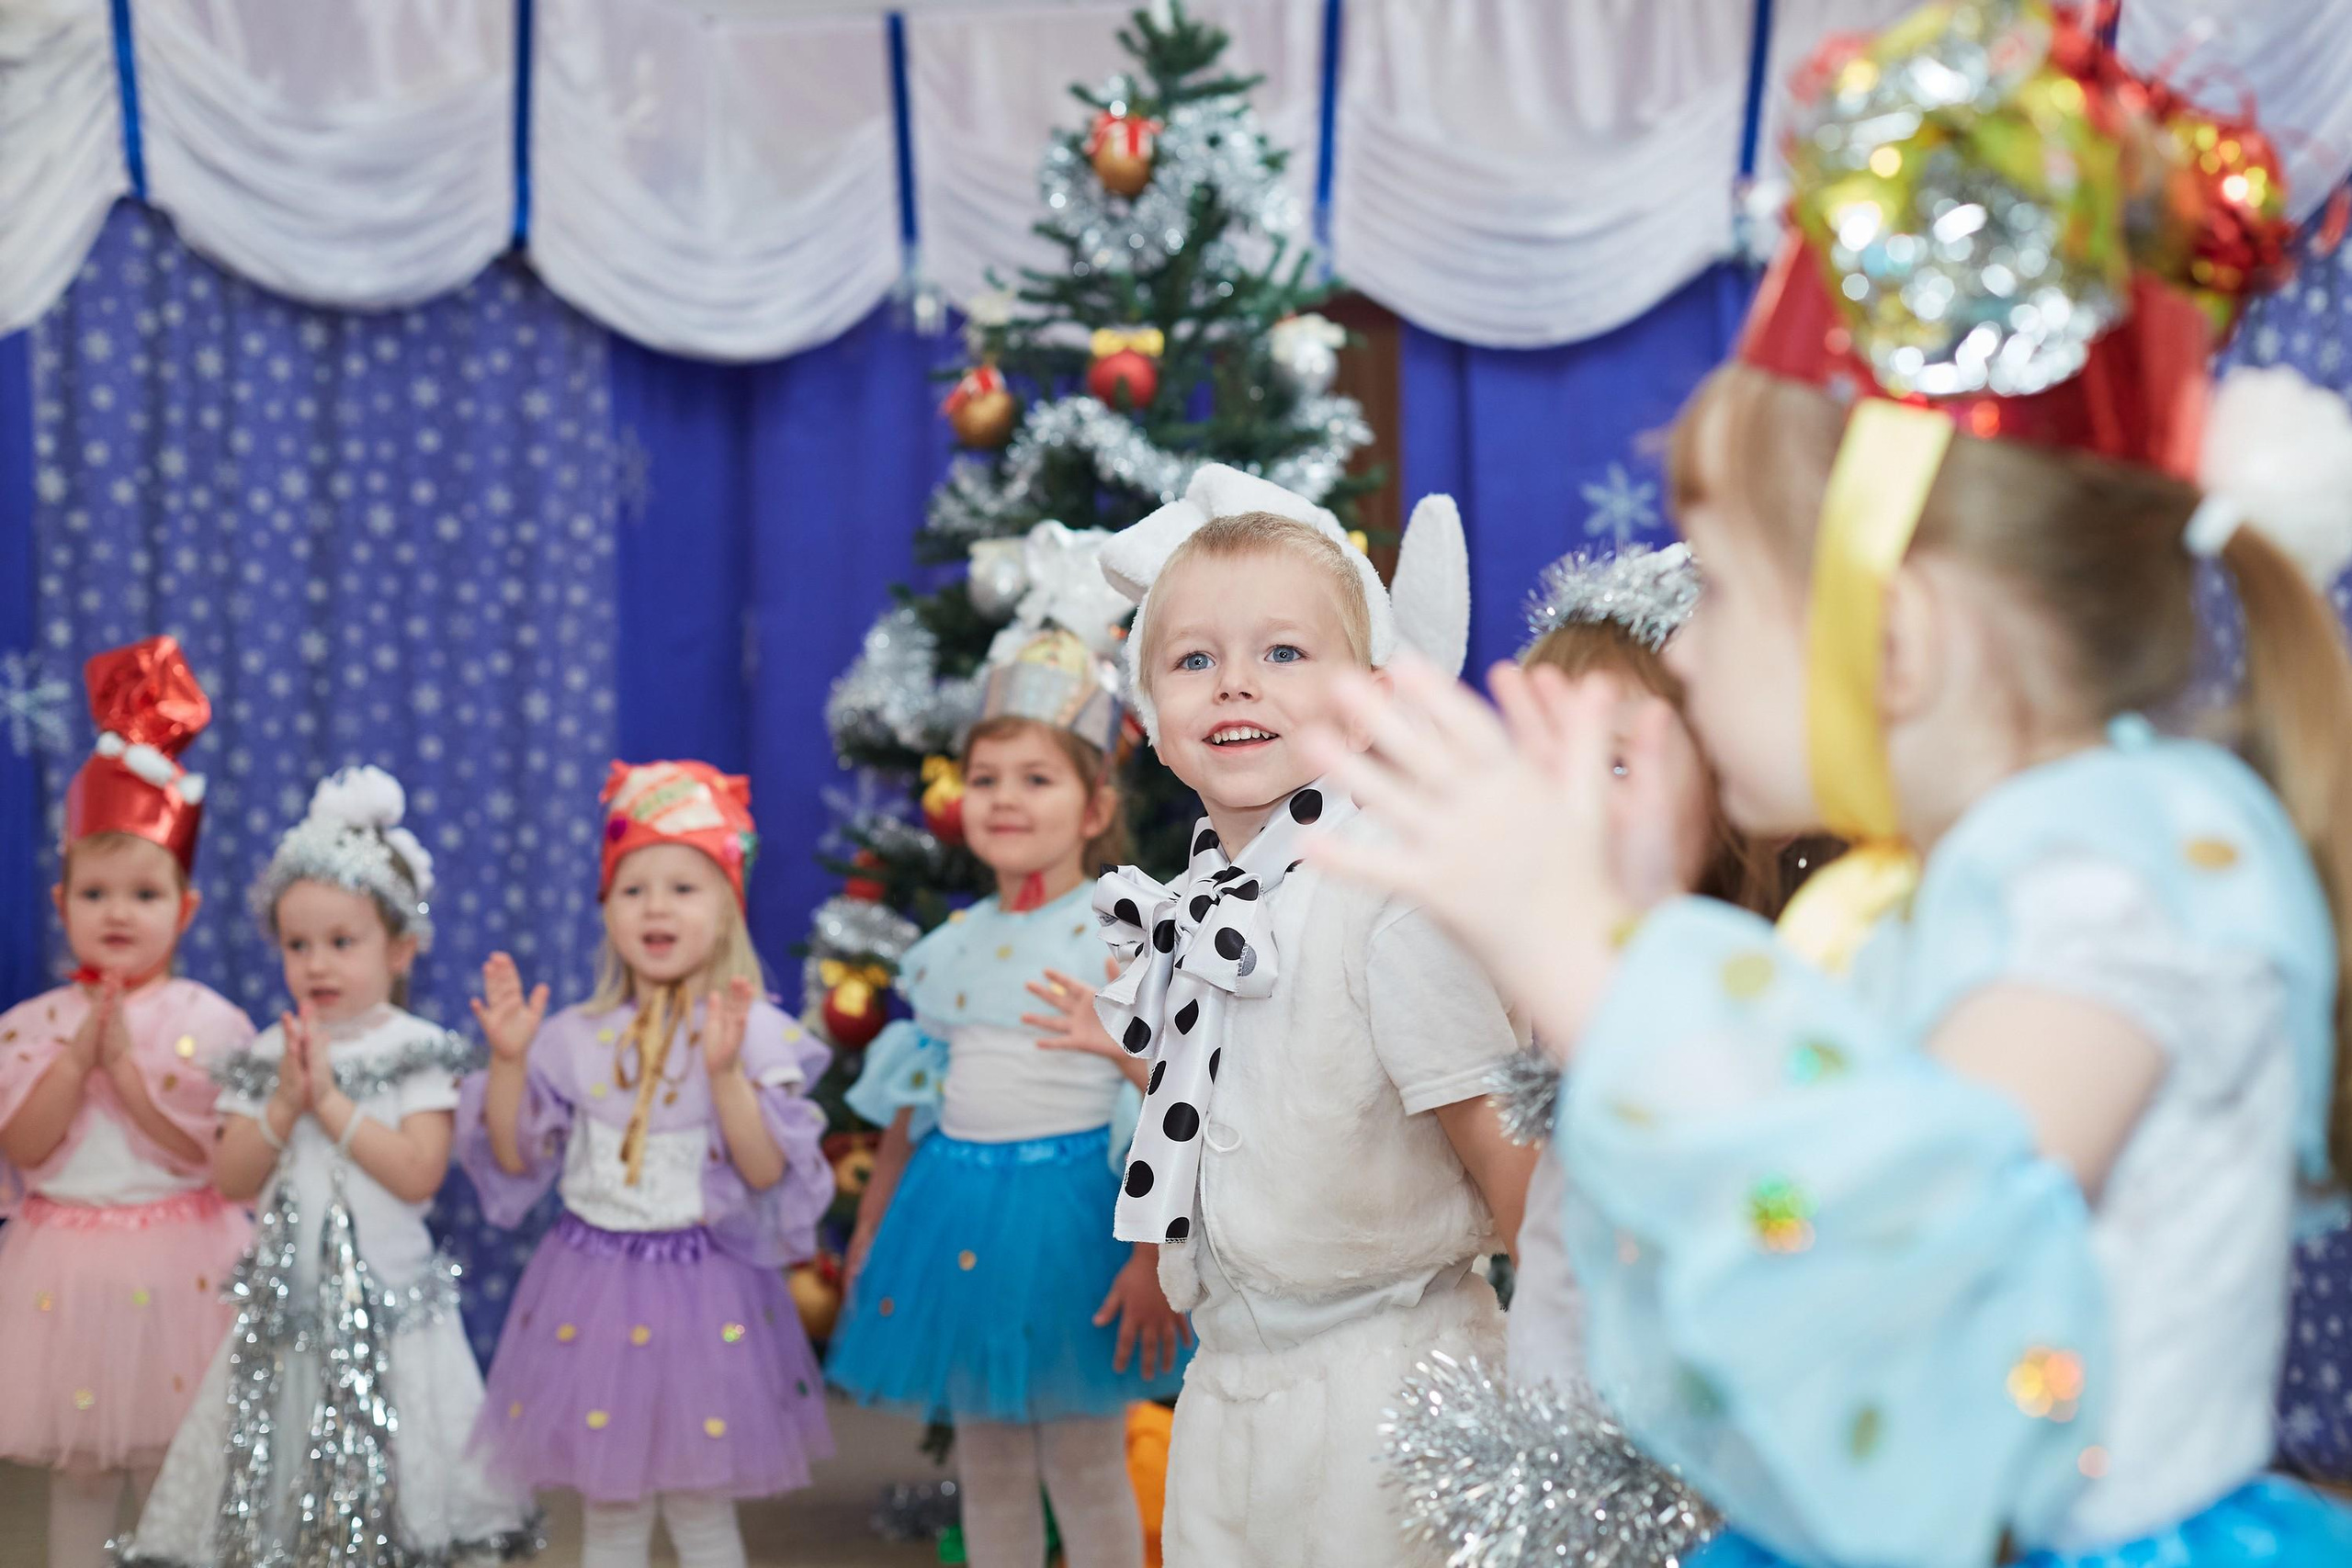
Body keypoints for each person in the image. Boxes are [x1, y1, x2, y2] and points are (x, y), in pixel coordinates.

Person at [1308, 6, 2352, 1564]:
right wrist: (1643, 918)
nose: (1691, 645)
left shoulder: (2126, 870)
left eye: (1722, 591)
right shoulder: (1949, 872)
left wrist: (1605, 963)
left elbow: (1911, 1253)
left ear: (1901, 637)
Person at [1088, 467, 1534, 1565]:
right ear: (1149, 717)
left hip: (1389, 1376)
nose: (1235, 685)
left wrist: (1566, 1377)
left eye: (1283, 653)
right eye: (1194, 660)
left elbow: (1501, 1148)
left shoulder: (1388, 898)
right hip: (1231, 1377)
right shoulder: (1196, 909)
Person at [829, 621, 1191, 1568]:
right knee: (987, 1463)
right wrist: (871, 1225)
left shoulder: (1121, 930)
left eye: (1036, 779)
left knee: (1083, 1459)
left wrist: (1152, 1257)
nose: (1004, 800)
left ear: (1092, 804)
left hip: (1073, 1222)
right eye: (985, 779)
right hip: (958, 1220)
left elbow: (1179, 1102)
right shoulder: (944, 949)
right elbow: (915, 1107)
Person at [119, 765, 538, 1565]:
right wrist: (283, 1103)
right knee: (278, 1487)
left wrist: (330, 1103)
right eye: (298, 943)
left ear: (402, 948)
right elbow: (233, 1178)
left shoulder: (413, 1050)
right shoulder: (268, 1051)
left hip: (392, 1316)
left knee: (408, 1492)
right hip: (289, 1320)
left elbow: (419, 1173)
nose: (317, 962)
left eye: (342, 942)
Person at [458, 760, 832, 1568]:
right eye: (634, 889)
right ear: (606, 911)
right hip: (589, 1289)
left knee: (702, 1510)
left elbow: (765, 1172)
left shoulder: (753, 1030)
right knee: (611, 1510)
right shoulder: (572, 1035)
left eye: (683, 886)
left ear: (727, 907)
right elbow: (515, 1153)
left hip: (706, 1294)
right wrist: (511, 1065)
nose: (656, 904)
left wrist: (726, 1071)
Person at [0, 637, 254, 1568]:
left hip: (184, 1269)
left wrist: (133, 1081)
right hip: (68, 1274)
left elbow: (213, 1161)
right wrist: (76, 1065)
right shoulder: (33, 1022)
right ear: (63, 902)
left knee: (176, 1469)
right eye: (97, 892)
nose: (119, 912)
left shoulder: (212, 1020)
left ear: (183, 909)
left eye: (144, 893)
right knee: (79, 1476)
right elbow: (24, 1147)